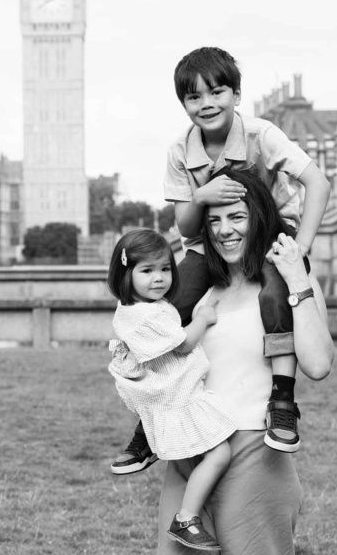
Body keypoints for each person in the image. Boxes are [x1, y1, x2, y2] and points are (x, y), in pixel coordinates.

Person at [111, 47, 332, 475]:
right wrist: (201, 196)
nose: (207, 104)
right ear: (183, 105)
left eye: (217, 92)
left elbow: (316, 182)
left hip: (269, 235)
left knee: (273, 299)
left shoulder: (261, 135)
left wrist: (300, 247)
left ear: (236, 93)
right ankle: (151, 421)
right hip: (206, 243)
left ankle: (282, 401)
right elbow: (186, 226)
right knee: (172, 311)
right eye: (194, 98)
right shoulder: (180, 151)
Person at [156, 166, 334, 555]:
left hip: (253, 453)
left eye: (237, 217)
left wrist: (298, 281)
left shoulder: (285, 280)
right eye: (214, 220)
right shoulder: (204, 290)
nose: (224, 230)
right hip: (189, 453)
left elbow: (319, 363)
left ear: (260, 219)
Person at [107, 229, 236, 552]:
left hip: (173, 395)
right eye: (147, 271)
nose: (159, 278)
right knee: (221, 453)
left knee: (209, 454)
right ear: (126, 273)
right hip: (178, 400)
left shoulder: (141, 307)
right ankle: (187, 518)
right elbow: (184, 344)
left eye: (165, 269)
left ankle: (150, 451)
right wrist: (203, 318)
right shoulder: (144, 316)